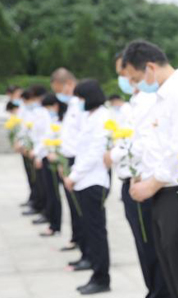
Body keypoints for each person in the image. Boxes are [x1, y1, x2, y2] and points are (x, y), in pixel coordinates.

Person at [123, 40, 178, 298]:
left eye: (136, 79)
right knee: (168, 265)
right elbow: (151, 144)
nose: (136, 86)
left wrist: (150, 184)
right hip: (161, 191)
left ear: (150, 67)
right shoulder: (159, 96)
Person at [103, 52, 170, 298]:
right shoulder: (134, 101)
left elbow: (141, 143)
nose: (124, 78)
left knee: (151, 245)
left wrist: (116, 153)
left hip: (145, 182)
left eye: (125, 73)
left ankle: (158, 291)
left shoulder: (150, 100)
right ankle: (152, 289)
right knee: (143, 245)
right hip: (130, 181)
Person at [63, 79, 111, 295]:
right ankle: (96, 272)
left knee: (96, 231)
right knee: (91, 231)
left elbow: (94, 153)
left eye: (81, 98)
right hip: (85, 180)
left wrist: (74, 175)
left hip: (93, 182)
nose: (78, 102)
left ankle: (101, 277)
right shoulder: (90, 116)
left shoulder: (101, 117)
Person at [50, 68, 85, 254]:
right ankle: (77, 238)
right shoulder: (72, 105)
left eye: (59, 90)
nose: (58, 95)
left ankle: (81, 242)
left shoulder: (80, 104)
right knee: (73, 206)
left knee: (80, 208)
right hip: (68, 159)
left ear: (68, 84)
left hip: (78, 161)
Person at [37, 93, 65, 237]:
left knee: (54, 193)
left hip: (56, 161)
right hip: (48, 158)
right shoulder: (55, 119)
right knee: (50, 192)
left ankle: (55, 224)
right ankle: (53, 223)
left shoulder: (62, 121)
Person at [27, 85, 51, 226]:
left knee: (48, 189)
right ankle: (44, 211)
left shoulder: (45, 112)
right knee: (42, 185)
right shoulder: (40, 111)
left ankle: (48, 214)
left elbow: (47, 135)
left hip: (44, 153)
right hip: (39, 152)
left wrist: (38, 154)